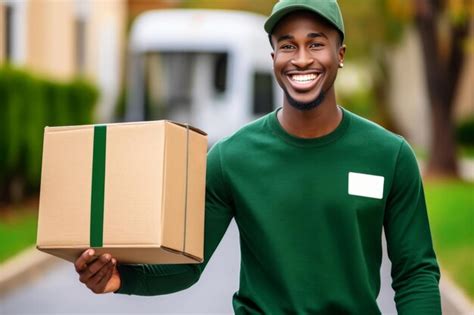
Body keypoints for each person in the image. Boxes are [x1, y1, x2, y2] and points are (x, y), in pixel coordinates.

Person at [74, 0, 442, 313]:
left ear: (339, 54)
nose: (300, 59)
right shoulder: (231, 158)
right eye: (287, 45)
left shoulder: (389, 156)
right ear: (273, 57)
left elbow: (415, 273)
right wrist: (120, 278)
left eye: (315, 45)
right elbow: (187, 265)